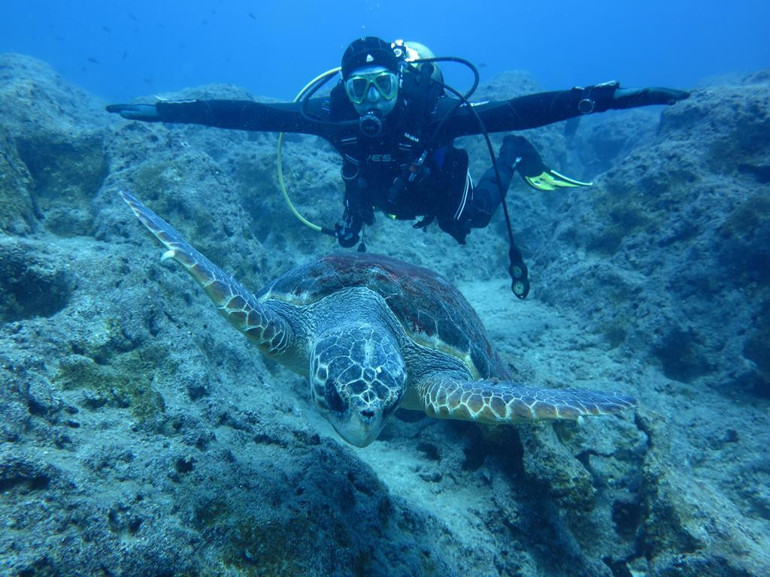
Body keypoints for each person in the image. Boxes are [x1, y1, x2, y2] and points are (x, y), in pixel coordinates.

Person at [107, 36, 688, 297]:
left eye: (381, 84)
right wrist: (167, 110)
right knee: (359, 204)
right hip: (377, 189)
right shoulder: (331, 118)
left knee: (475, 220)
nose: (371, 101)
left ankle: (511, 158)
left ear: (399, 82)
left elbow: (522, 107)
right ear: (344, 89)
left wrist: (602, 97)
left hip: (433, 182)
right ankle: (359, 216)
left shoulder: (432, 112)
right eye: (358, 88)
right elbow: (249, 114)